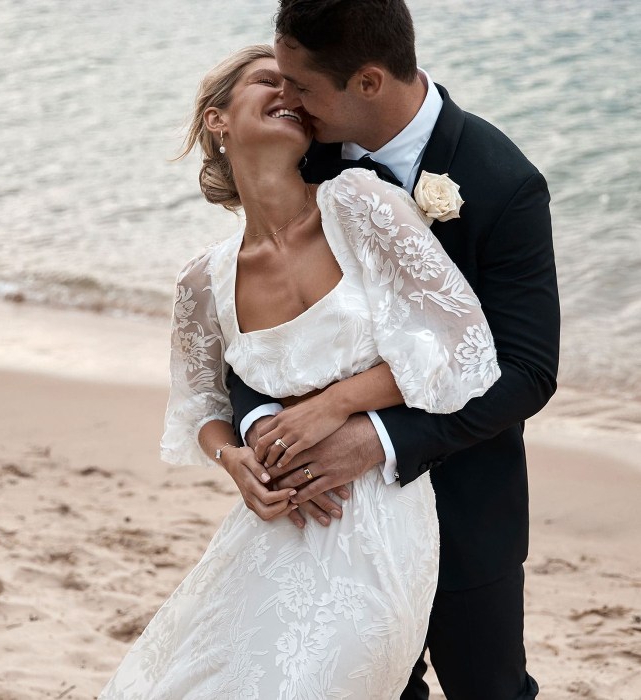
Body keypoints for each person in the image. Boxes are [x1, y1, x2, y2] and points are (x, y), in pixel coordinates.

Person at [99, 44, 500, 699]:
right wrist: (235, 462)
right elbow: (202, 407)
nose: (289, 93)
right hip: (272, 524)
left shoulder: (362, 205)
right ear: (217, 120)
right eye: (267, 81)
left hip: (377, 518)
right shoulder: (203, 281)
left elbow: (460, 345)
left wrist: (335, 403)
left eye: (297, 86)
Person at [226, 2, 560, 699]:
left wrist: (377, 438)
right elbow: (249, 315)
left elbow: (527, 371)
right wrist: (260, 427)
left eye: (300, 84)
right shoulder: (301, 156)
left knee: (488, 688)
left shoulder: (502, 183)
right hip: (331, 514)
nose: (284, 99)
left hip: (466, 503)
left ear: (369, 82)